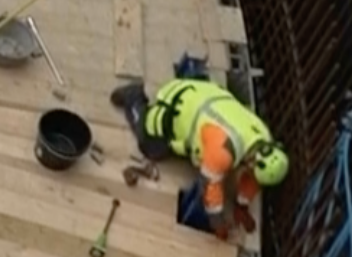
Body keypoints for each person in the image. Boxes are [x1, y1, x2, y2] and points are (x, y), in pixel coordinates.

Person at [113, 73, 287, 241]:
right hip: (183, 103)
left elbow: (253, 179)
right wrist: (217, 224)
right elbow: (210, 189)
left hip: (209, 95)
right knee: (150, 144)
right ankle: (134, 97)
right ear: (253, 162)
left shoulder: (264, 138)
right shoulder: (223, 151)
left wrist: (242, 205)